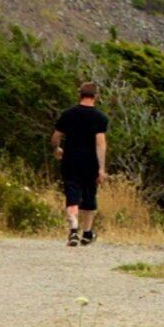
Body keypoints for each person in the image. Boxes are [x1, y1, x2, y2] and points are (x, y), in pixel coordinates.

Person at [54, 82, 108, 247]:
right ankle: (87, 233)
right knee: (89, 196)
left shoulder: (68, 114)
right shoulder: (100, 117)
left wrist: (57, 148)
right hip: (90, 163)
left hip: (70, 160)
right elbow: (100, 143)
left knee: (72, 196)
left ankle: (73, 229)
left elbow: (56, 136)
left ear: (80, 95)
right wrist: (101, 168)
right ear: (96, 96)